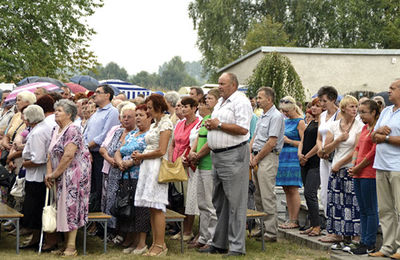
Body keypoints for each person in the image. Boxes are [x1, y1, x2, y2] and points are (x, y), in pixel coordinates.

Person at [199, 72, 252, 257]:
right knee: (219, 202)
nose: (219, 86)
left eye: (223, 83)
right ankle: (220, 242)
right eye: (219, 83)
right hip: (218, 156)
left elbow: (243, 128)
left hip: (234, 155)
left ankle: (237, 247)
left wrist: (219, 125)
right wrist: (213, 127)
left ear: (234, 85)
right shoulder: (222, 102)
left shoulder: (241, 101)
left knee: (236, 203)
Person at [45, 99, 91, 257]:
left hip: (73, 175)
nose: (56, 112)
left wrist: (55, 174)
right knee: (61, 207)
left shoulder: (73, 130)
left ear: (69, 114)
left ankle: (71, 247)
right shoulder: (55, 129)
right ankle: (64, 244)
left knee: (71, 208)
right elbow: (50, 153)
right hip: (59, 173)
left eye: (59, 110)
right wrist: (49, 173)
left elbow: (69, 155)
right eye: (55, 110)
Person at [132, 94, 173, 256]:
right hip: (148, 166)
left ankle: (160, 244)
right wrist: (140, 154)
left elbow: (161, 150)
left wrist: (141, 156)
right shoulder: (156, 124)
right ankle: (155, 243)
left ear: (158, 106)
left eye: (149, 107)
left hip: (157, 166)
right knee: (151, 206)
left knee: (157, 206)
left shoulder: (166, 123)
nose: (147, 110)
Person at [323, 95, 363, 249]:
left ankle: (355, 237)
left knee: (352, 203)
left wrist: (339, 163)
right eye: (352, 106)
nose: (355, 109)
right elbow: (325, 149)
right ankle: (337, 234)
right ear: (344, 108)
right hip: (336, 168)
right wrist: (338, 140)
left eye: (356, 106)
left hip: (350, 167)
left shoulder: (359, 126)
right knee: (336, 202)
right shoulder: (334, 125)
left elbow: (356, 149)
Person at [249, 87, 284, 242]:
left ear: (269, 99)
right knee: (258, 194)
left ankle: (271, 232)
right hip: (256, 156)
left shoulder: (276, 116)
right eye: (257, 97)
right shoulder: (262, 116)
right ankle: (261, 227)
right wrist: (250, 154)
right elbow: (255, 137)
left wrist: (256, 159)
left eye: (260, 97)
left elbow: (271, 142)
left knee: (267, 194)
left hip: (267, 157)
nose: (257, 100)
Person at [115, 104, 151, 255]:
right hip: (126, 176)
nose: (137, 118)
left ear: (149, 117)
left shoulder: (149, 135)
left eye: (141, 115)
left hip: (140, 176)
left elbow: (146, 153)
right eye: (136, 115)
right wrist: (119, 162)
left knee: (141, 210)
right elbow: (119, 150)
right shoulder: (131, 134)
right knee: (129, 209)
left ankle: (142, 243)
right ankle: (133, 241)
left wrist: (130, 162)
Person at [369, 80, 400, 259]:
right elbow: (373, 136)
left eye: (392, 89)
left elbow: (383, 138)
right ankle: (388, 247)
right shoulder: (387, 111)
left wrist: (386, 138)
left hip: (397, 167)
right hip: (381, 165)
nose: (388, 91)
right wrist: (378, 132)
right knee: (386, 209)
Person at [187, 89, 220, 250]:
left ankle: (213, 239)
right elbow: (199, 138)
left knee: (210, 203)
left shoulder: (215, 119)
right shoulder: (205, 119)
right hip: (200, 164)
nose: (206, 101)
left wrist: (198, 155)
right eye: (205, 98)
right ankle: (204, 235)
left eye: (210, 98)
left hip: (209, 164)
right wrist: (192, 153)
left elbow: (211, 141)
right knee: (202, 204)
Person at [99, 103, 136, 240]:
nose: (126, 119)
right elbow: (108, 149)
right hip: (113, 171)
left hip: (128, 172)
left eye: (129, 117)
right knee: (111, 201)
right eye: (124, 117)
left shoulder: (135, 133)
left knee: (125, 202)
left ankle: (124, 233)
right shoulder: (118, 131)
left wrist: (120, 161)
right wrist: (111, 159)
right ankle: (111, 230)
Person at [348, 99, 379, 255]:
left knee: (370, 209)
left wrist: (358, 167)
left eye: (364, 112)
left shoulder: (376, 130)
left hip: (369, 173)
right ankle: (362, 240)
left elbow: (372, 153)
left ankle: (369, 242)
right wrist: (354, 165)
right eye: (359, 112)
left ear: (373, 112)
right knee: (362, 209)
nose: (360, 115)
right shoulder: (365, 129)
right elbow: (358, 147)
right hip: (358, 172)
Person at [19, 105, 52, 249]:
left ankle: (37, 239)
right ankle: (35, 238)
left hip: (37, 177)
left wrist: (24, 164)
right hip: (35, 175)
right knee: (34, 208)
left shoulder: (39, 132)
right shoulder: (39, 129)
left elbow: (38, 159)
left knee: (35, 209)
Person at [169, 96, 200, 242]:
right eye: (181, 106)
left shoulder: (198, 123)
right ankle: (181, 229)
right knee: (179, 198)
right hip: (176, 164)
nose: (183, 109)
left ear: (194, 108)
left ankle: (188, 230)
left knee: (189, 199)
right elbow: (173, 143)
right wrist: (171, 160)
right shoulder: (180, 123)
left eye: (186, 106)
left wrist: (186, 158)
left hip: (189, 165)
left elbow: (194, 143)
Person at [84, 84, 119, 212]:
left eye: (98, 92)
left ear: (107, 95)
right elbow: (86, 132)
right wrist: (86, 148)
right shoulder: (96, 113)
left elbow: (105, 134)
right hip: (90, 153)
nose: (95, 94)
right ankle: (91, 215)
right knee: (91, 187)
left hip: (101, 155)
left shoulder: (112, 112)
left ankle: (99, 219)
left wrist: (87, 146)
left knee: (99, 187)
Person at [277, 96, 306, 229]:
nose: (285, 113)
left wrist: (289, 141)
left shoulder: (300, 122)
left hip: (293, 157)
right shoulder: (285, 121)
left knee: (293, 188)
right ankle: (289, 218)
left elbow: (304, 143)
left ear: (294, 108)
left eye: (287, 111)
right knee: (286, 188)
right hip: (283, 157)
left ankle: (294, 219)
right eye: (283, 111)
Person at [297, 98, 323, 236]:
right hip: (304, 161)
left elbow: (319, 143)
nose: (314, 108)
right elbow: (303, 140)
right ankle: (313, 224)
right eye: (312, 106)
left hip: (315, 162)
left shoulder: (323, 124)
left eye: (317, 106)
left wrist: (307, 156)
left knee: (310, 193)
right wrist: (299, 153)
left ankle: (317, 225)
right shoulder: (311, 122)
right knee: (307, 193)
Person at [316, 86, 340, 218]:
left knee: (333, 189)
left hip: (334, 154)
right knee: (324, 190)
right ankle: (327, 219)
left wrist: (327, 149)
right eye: (321, 101)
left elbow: (338, 135)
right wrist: (320, 149)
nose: (322, 104)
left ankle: (335, 221)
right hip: (322, 155)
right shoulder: (322, 115)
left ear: (333, 100)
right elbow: (319, 137)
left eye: (325, 101)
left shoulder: (339, 114)